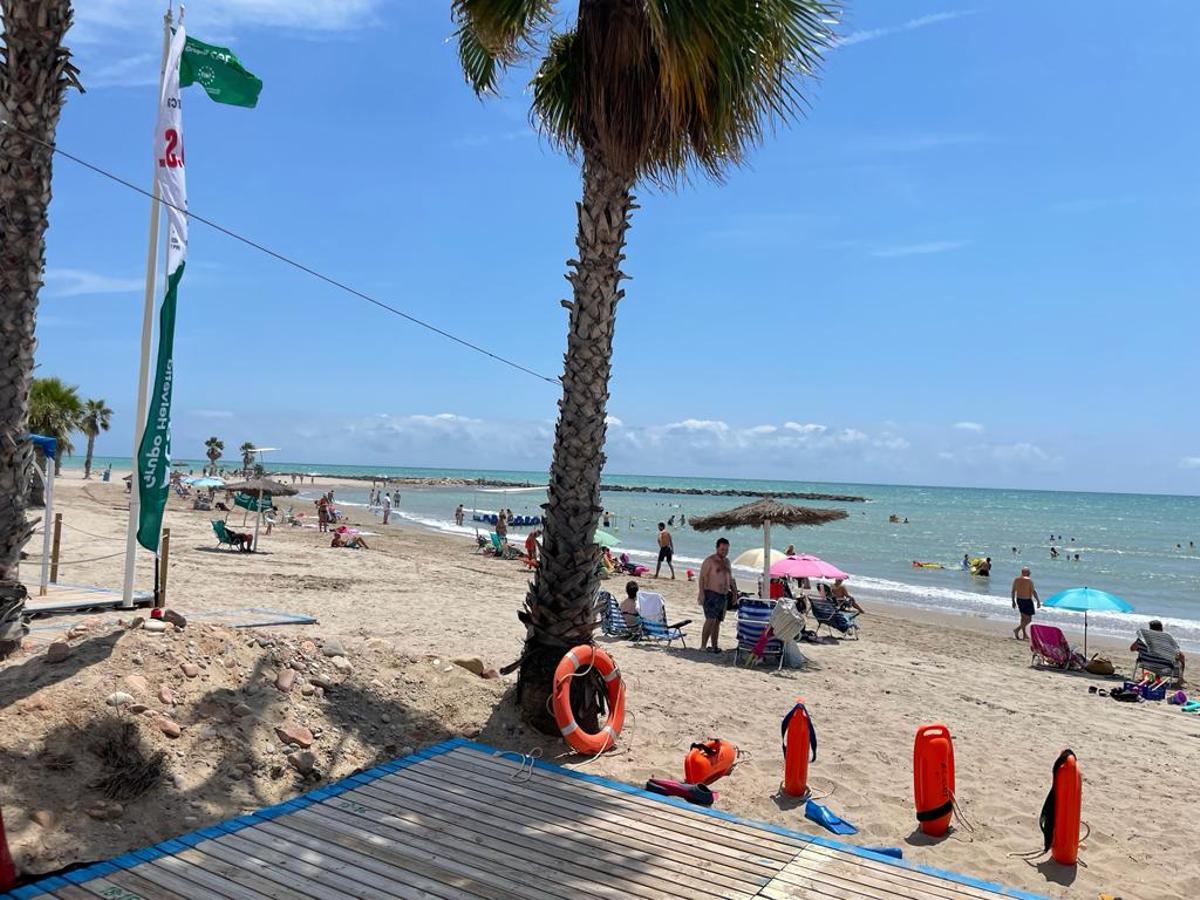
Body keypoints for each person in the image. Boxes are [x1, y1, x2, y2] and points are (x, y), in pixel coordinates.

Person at [697, 537, 735, 653]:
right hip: (711, 593)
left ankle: (714, 645)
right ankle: (703, 645)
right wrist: (701, 592)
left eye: (727, 550)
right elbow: (702, 577)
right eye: (722, 549)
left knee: (718, 621)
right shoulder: (710, 560)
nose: (724, 552)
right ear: (717, 548)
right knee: (710, 619)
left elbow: (731, 579)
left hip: (723, 595)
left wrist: (735, 593)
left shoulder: (727, 562)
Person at [1010, 566, 1040, 640]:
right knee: (1029, 619)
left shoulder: (1016, 580)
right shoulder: (1029, 580)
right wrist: (1038, 601)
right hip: (1027, 600)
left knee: (1023, 618)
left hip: (1019, 600)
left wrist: (1013, 601)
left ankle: (1024, 634)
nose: (1030, 573)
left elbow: (1013, 591)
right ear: (1025, 572)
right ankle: (1017, 630)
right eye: (1029, 572)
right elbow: (1033, 591)